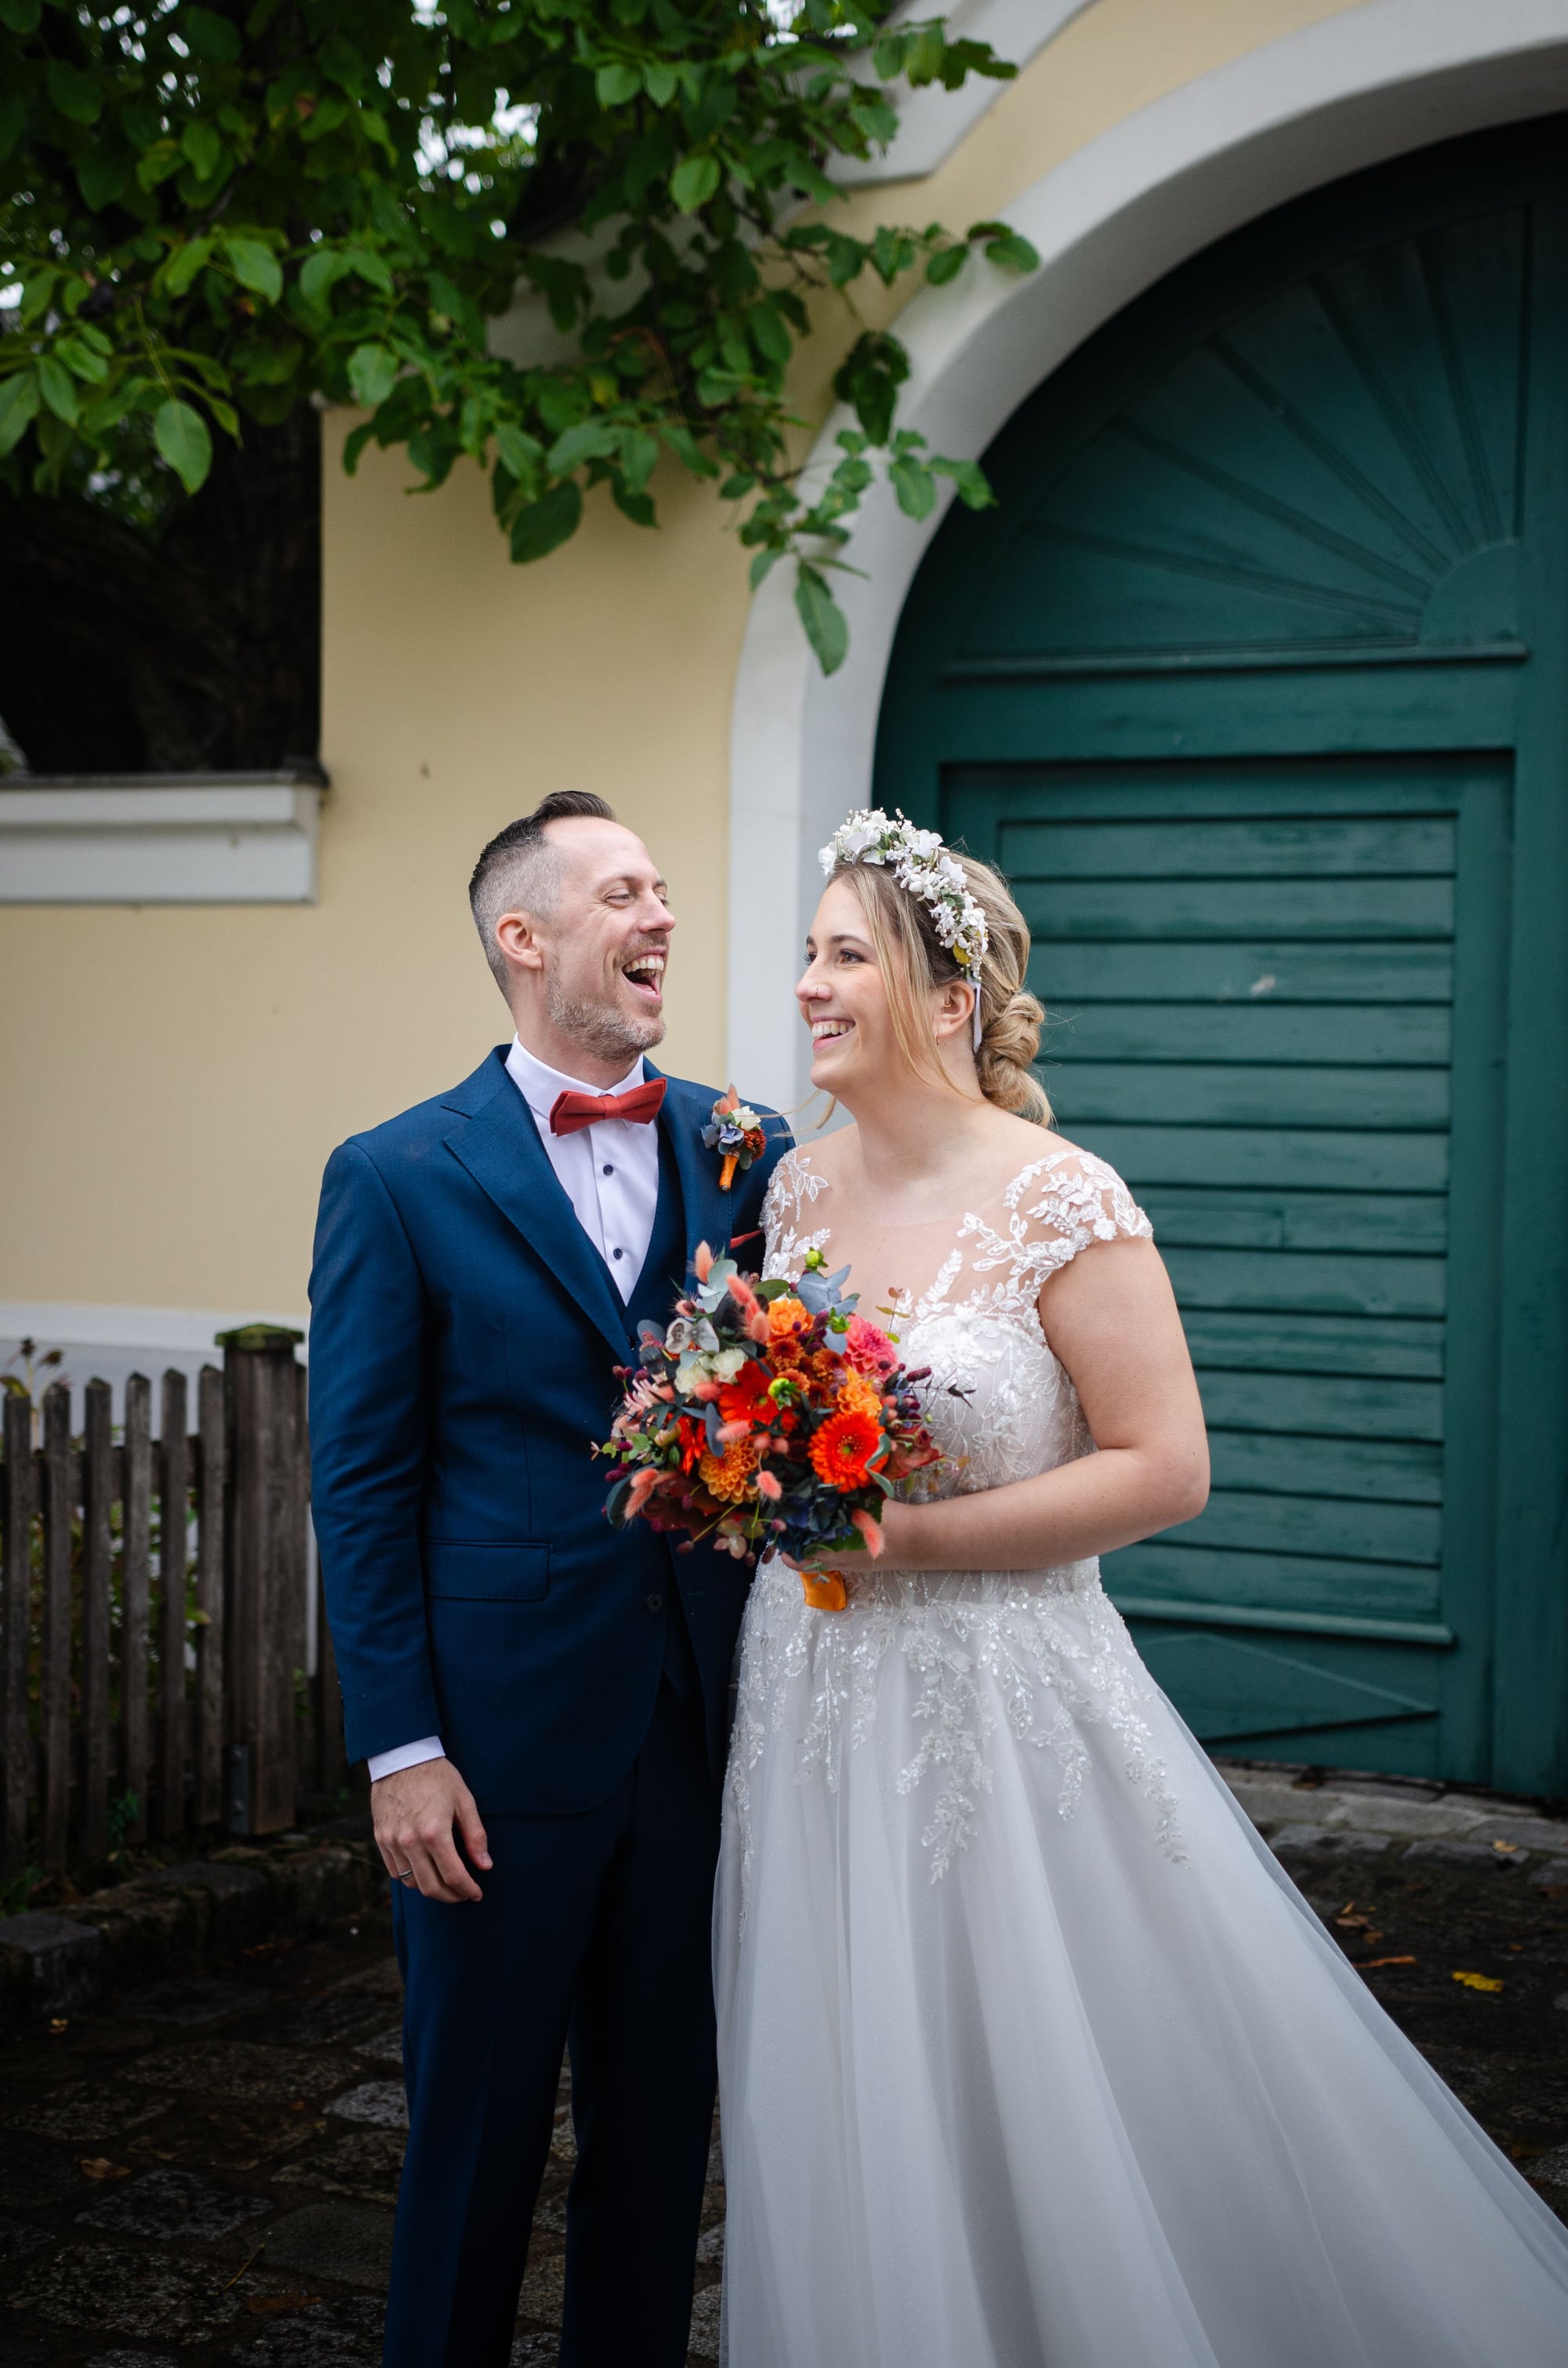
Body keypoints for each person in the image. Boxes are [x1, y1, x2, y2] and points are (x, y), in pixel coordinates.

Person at [713, 808, 1568, 2367]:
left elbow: (1165, 1467)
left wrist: (901, 1545)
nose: (808, 986)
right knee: (857, 2047)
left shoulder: (1063, 1196)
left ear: (950, 1001)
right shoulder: (794, 1195)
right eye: (809, 954)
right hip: (816, 1682)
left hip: (1000, 1688)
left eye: (845, 956)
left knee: (1059, 2054)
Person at [309, 791, 788, 2368]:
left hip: (700, 1728)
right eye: (623, 892)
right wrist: (400, 1747)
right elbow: (361, 1484)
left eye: (666, 889)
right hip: (494, 1750)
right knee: (475, 2138)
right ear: (522, 936)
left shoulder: (745, 1149)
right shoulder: (395, 1173)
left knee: (659, 2143)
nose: (663, 917)